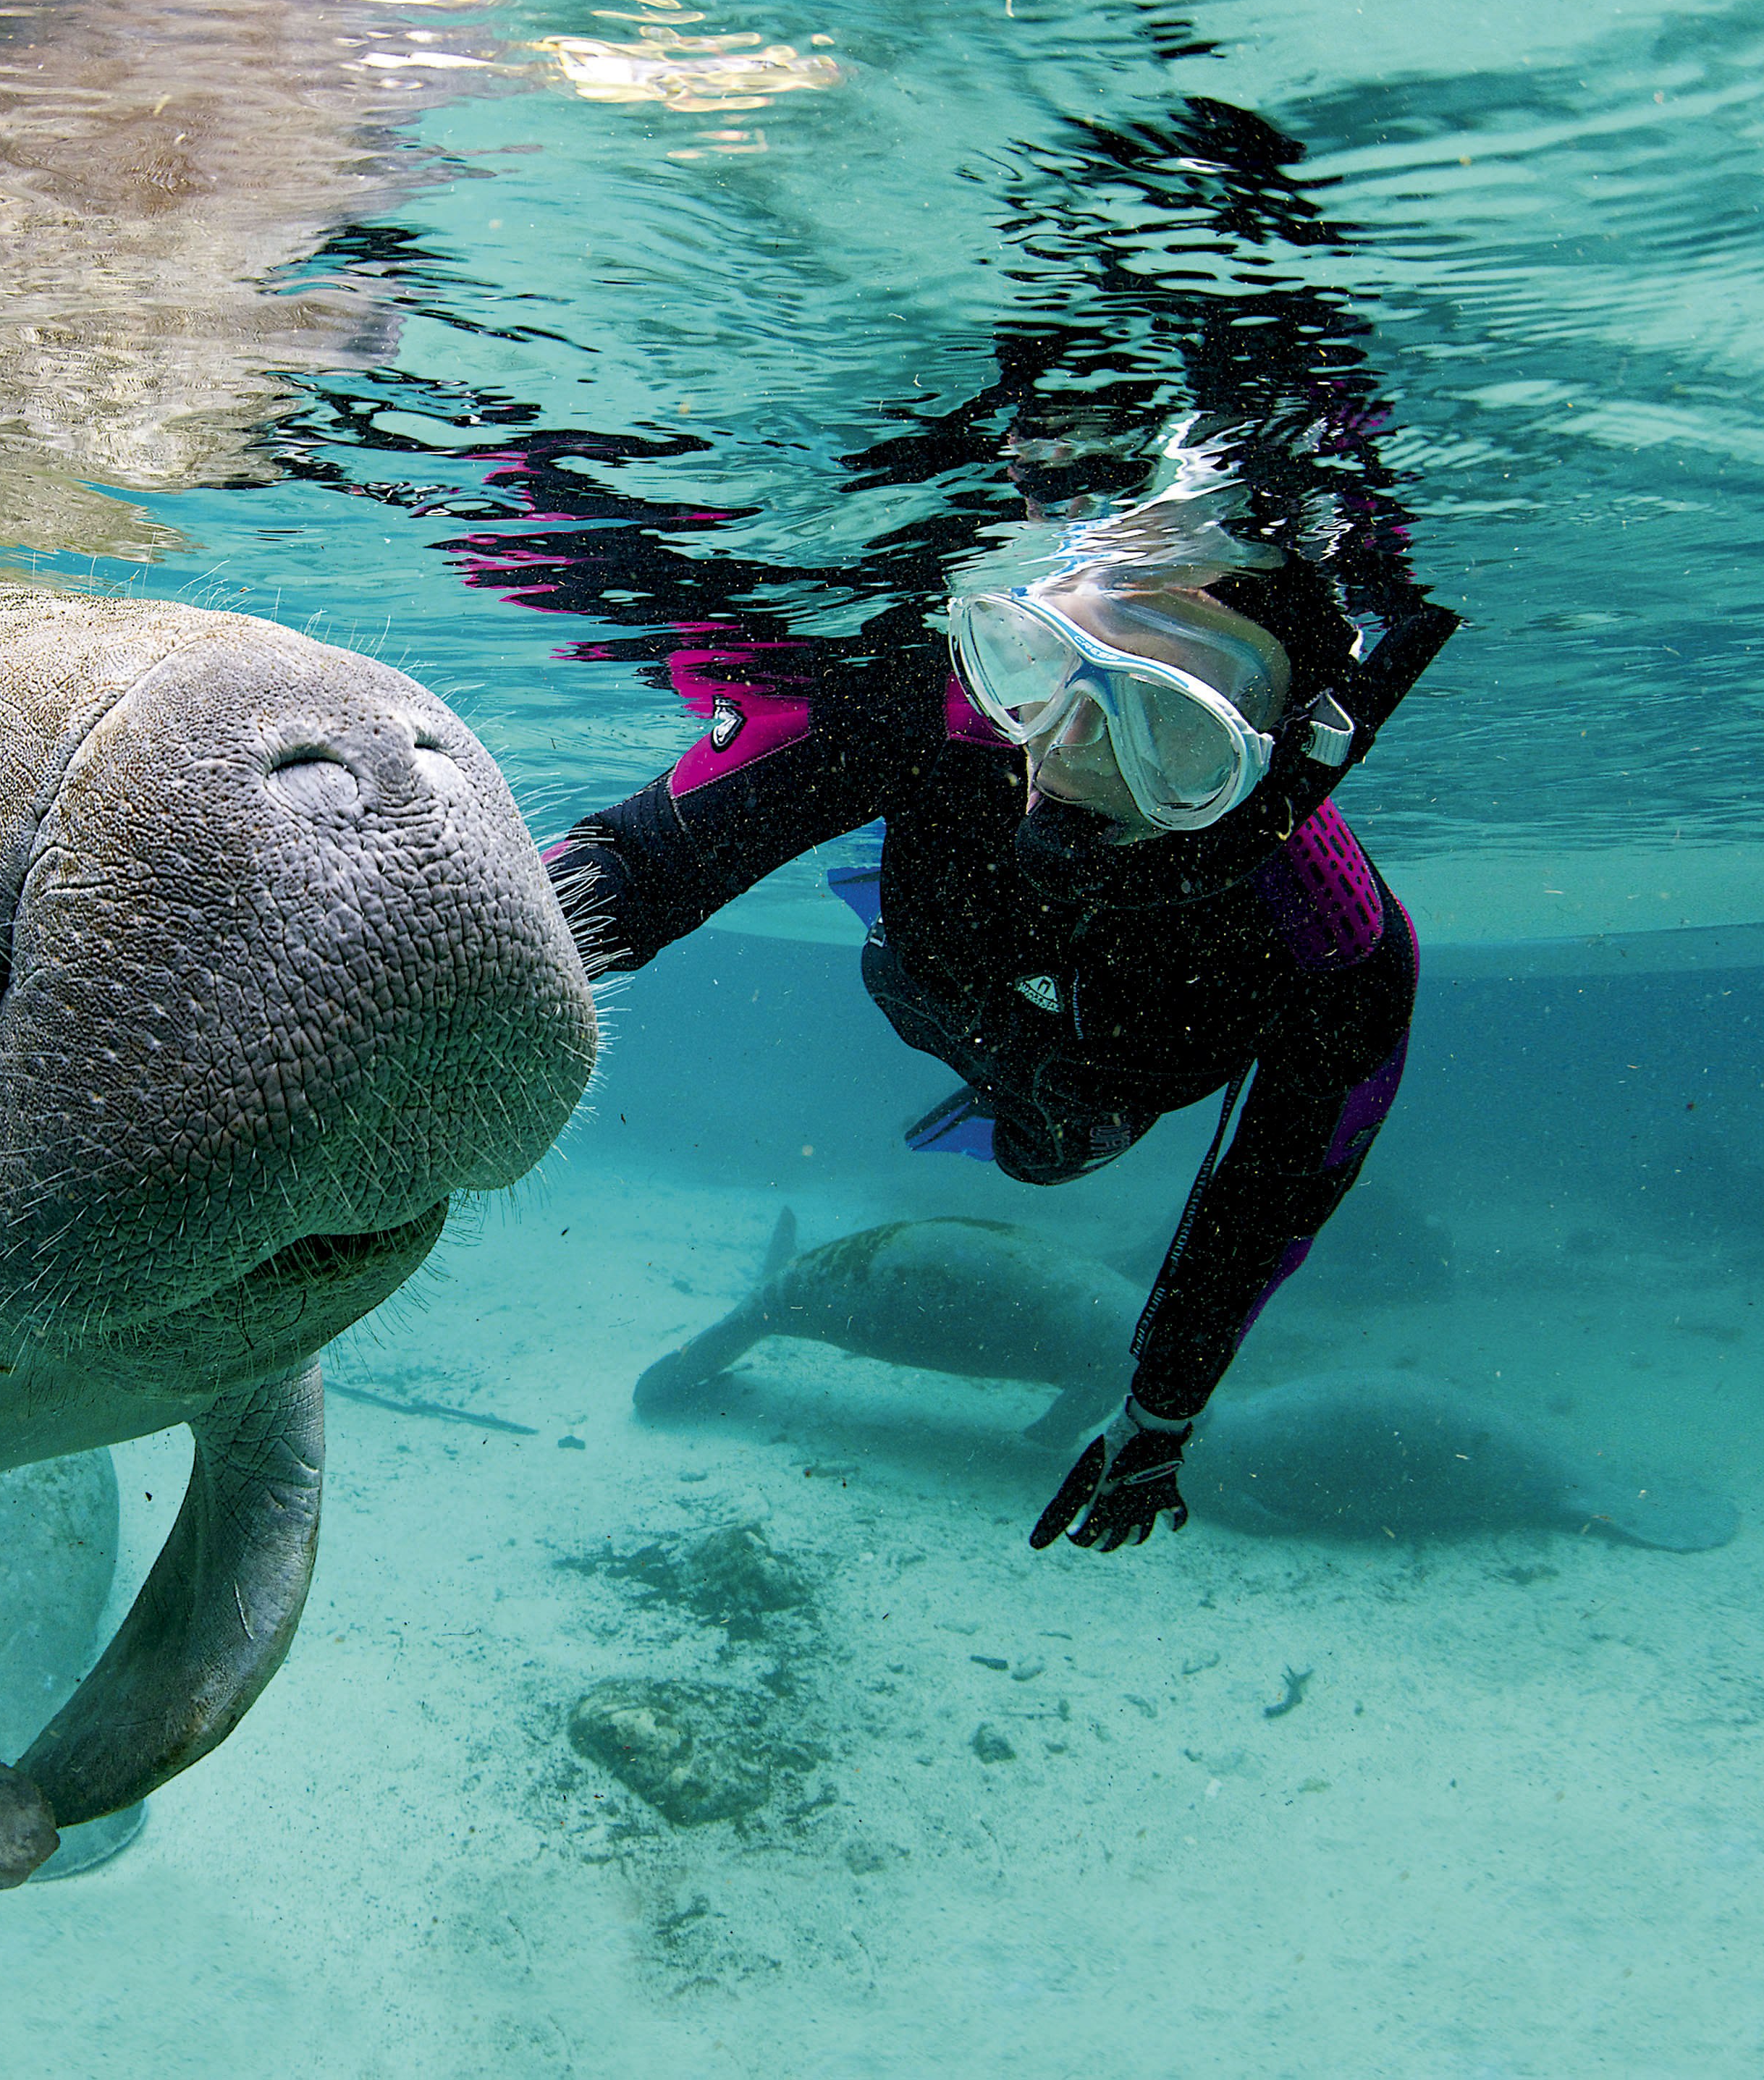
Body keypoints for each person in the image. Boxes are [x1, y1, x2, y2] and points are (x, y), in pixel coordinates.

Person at [543, 420, 1457, 1555]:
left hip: (1085, 1090)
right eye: (1042, 662)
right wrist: (436, 975)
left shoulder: (1340, 958)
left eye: (1173, 726)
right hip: (933, 979)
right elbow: (646, 864)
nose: (1066, 751)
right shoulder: (925, 708)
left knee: (1047, 1150)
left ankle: (1025, 1112)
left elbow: (1264, 1206)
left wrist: (1162, 1414)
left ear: (1276, 759)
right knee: (910, 982)